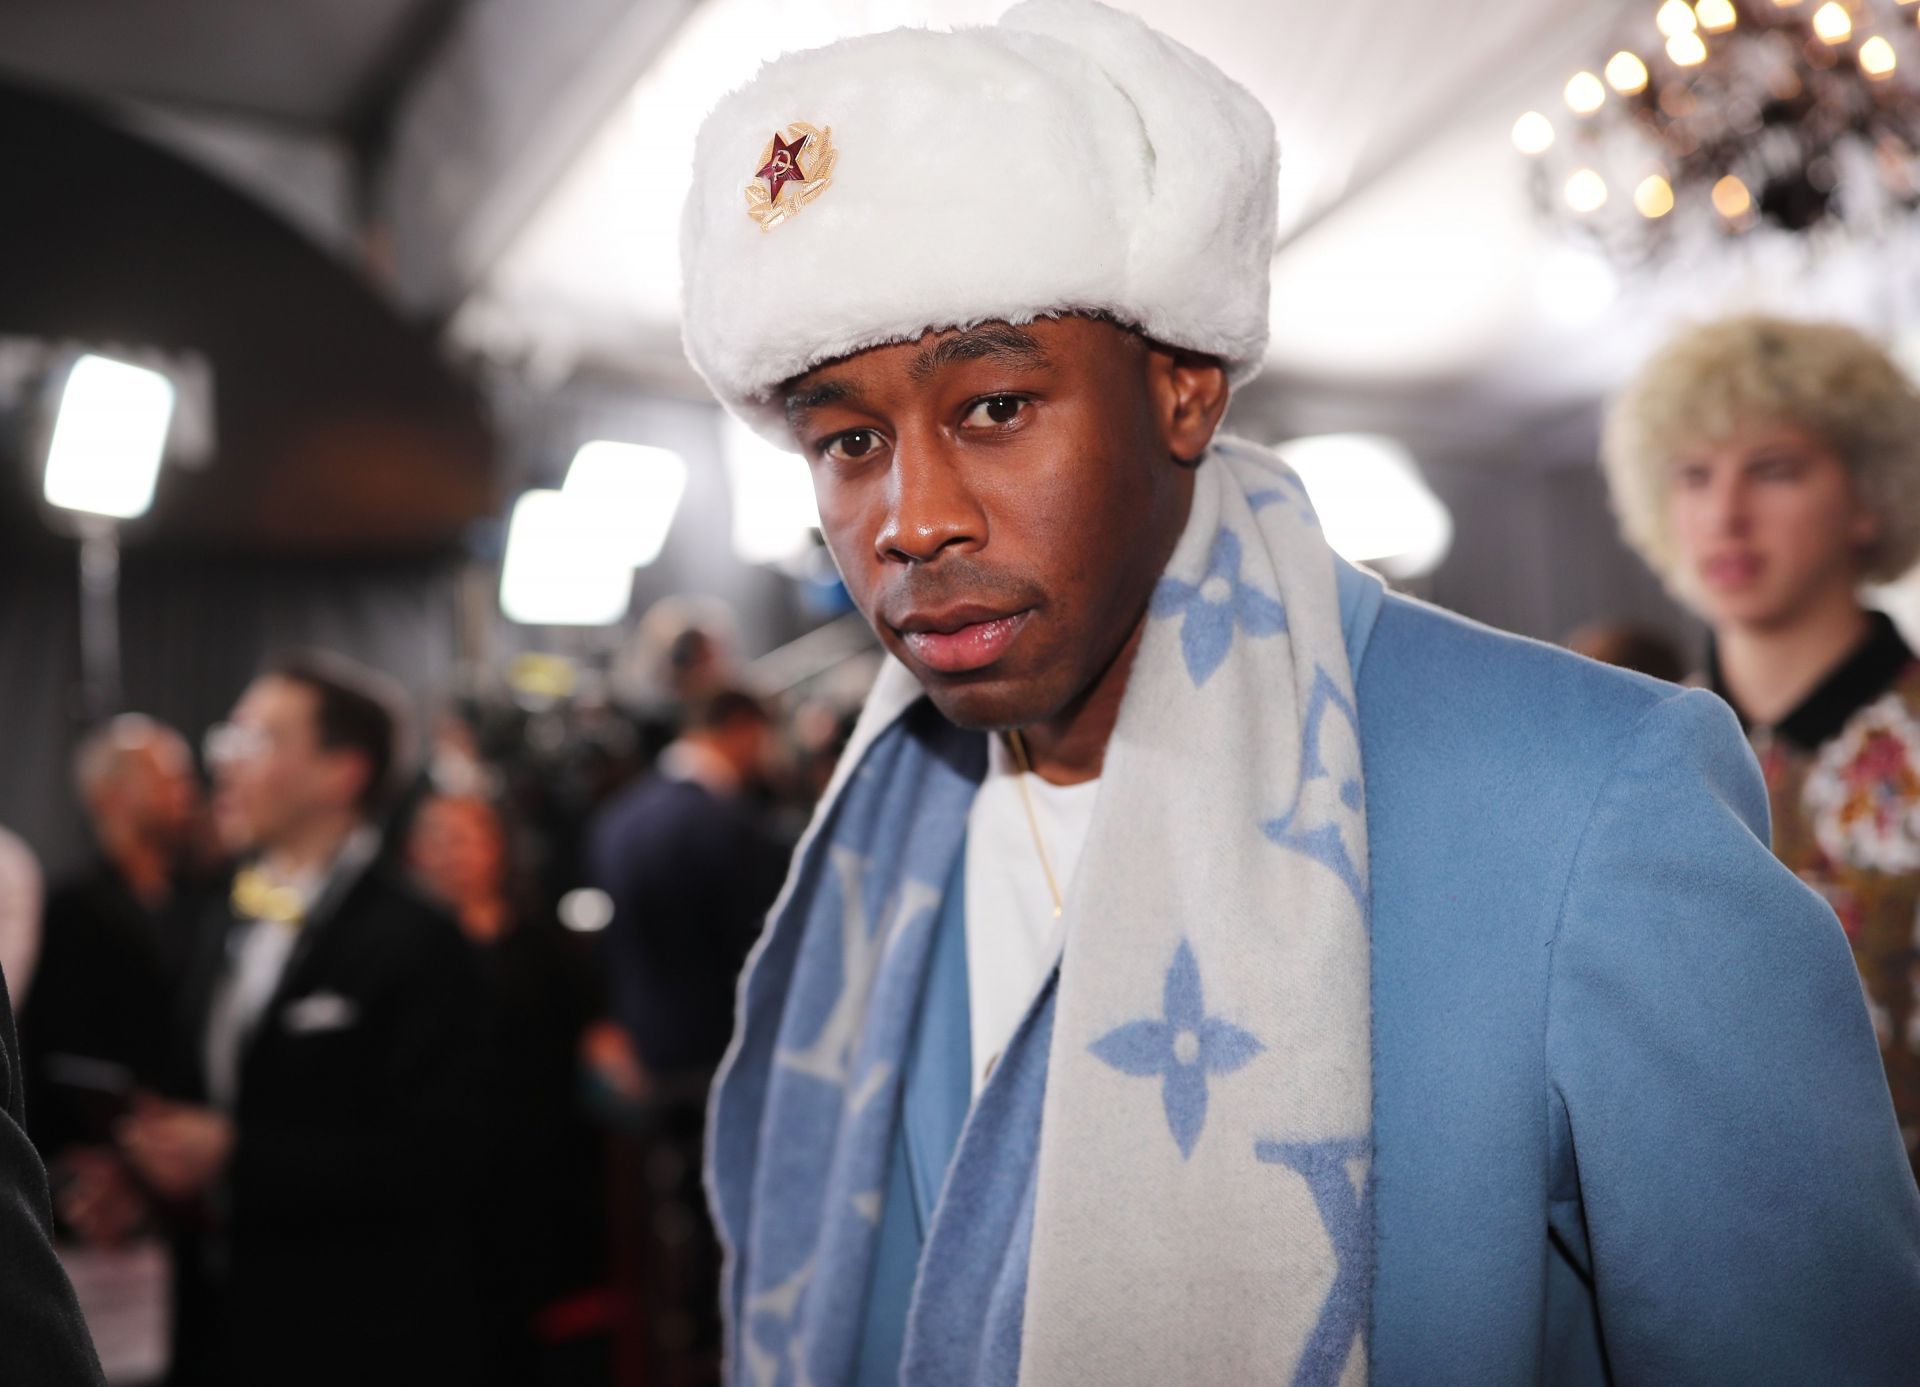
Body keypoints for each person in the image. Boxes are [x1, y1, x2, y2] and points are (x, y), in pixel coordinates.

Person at [678, 5, 1920, 1384]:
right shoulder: (877, 841)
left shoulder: (1588, 798)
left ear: (1185, 389)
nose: (911, 519)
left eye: (994, 407)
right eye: (848, 440)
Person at [87, 652, 488, 1387]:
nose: (227, 767)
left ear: (343, 772)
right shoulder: (222, 914)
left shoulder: (417, 937)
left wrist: (237, 1152)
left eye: (260, 740)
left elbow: (442, 1159)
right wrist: (145, 1172)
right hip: (224, 1328)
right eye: (229, 740)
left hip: (363, 1334)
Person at [1602, 313, 1920, 1181]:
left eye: (1774, 469)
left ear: (1868, 498)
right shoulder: (1621, 757)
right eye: (1694, 475)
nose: (1726, 513)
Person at [406, 788, 612, 1382]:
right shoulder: (400, 951)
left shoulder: (544, 948)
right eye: (437, 840)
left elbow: (594, 1034)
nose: (453, 855)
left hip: (535, 1176)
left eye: (466, 838)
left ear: (497, 850)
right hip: (438, 1183)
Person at [23, 716, 209, 1166]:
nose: (187, 792)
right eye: (169, 778)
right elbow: (56, 1046)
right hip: (100, 1158)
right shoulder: (70, 909)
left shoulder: (209, 904)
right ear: (111, 795)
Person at [589, 688, 788, 1083]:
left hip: (642, 1047)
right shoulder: (729, 826)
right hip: (722, 1053)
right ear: (743, 730)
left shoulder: (617, 817)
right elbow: (759, 947)